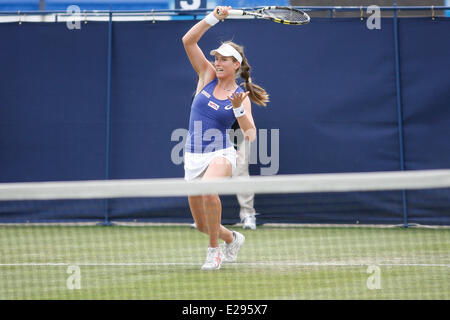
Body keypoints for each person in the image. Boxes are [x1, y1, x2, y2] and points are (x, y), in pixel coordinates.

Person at [182, 6, 269, 270]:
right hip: (193, 155)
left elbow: (250, 132)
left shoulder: (241, 95)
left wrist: (239, 108)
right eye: (216, 58)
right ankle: (232, 238)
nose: (217, 63)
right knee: (201, 224)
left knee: (209, 189)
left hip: (221, 153)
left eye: (223, 59)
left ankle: (213, 252)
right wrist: (213, 18)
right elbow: (188, 40)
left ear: (236, 65)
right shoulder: (206, 75)